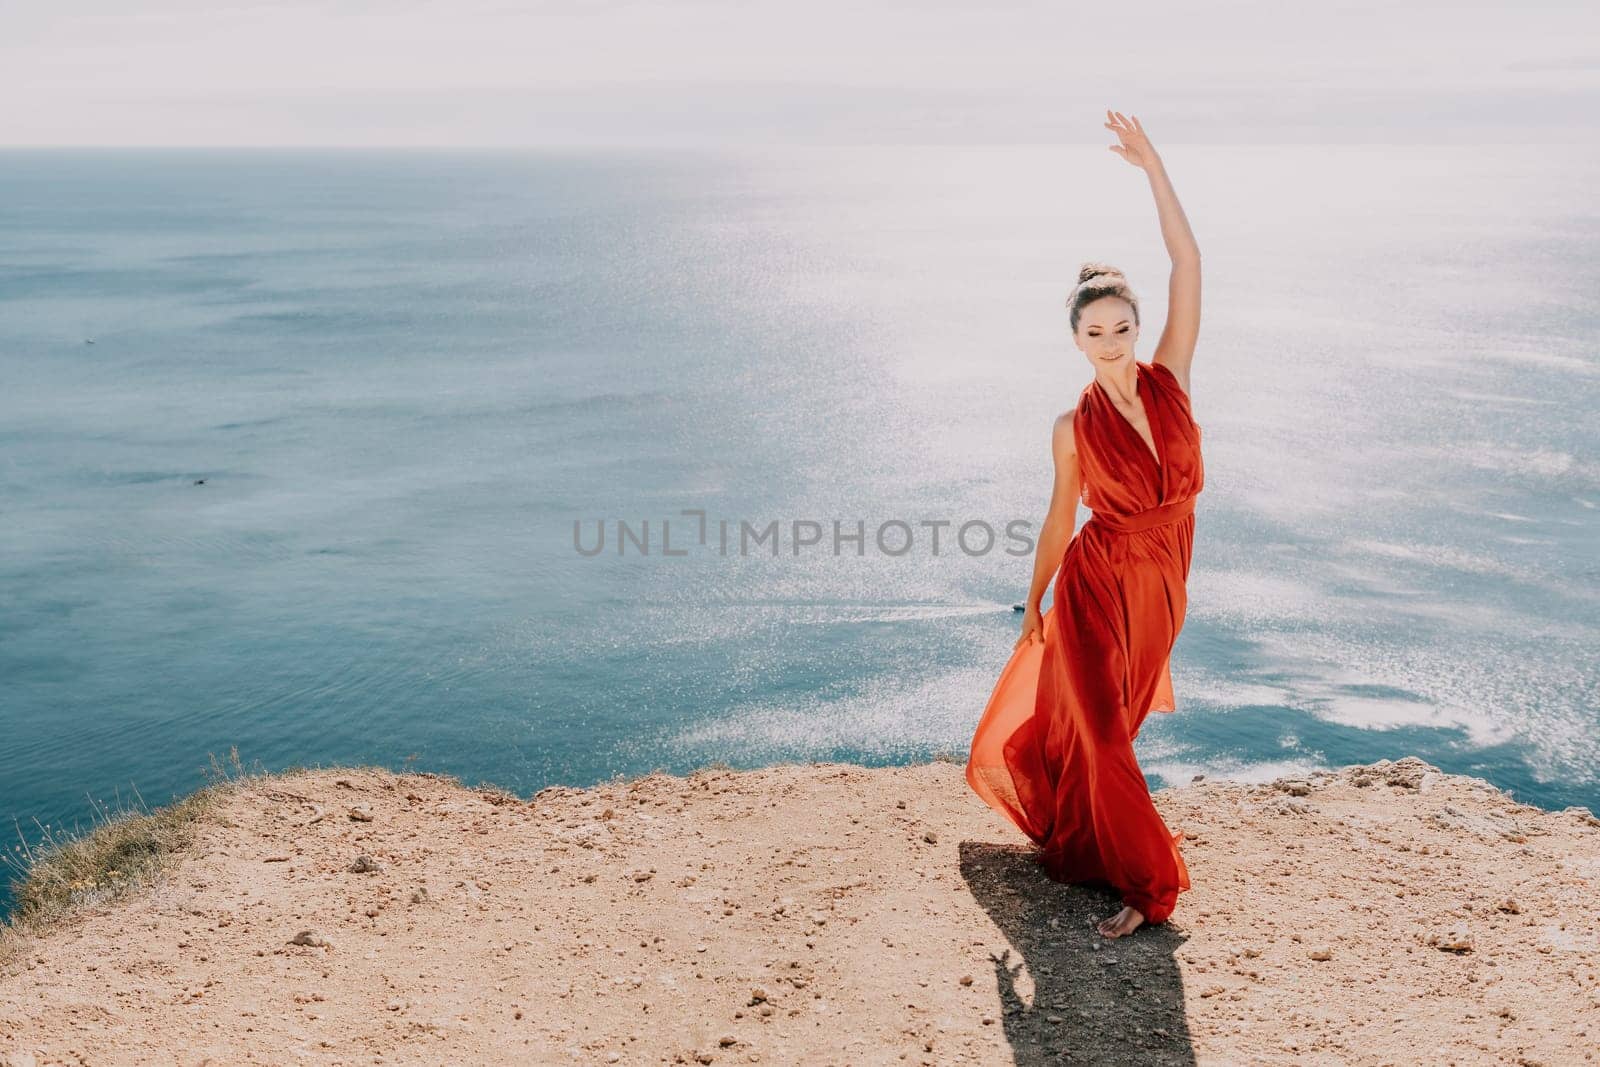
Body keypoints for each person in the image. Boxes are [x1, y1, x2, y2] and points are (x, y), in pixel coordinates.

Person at [966, 111, 1204, 939]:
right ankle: (1148, 884)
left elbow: (1187, 262)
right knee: (1103, 730)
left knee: (1117, 727)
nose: (1110, 343)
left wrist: (1153, 168)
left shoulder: (1171, 380)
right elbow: (1061, 517)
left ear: (1139, 329)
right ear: (1075, 339)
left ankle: (1092, 835)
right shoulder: (1072, 426)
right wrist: (1032, 599)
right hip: (1098, 581)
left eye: (1121, 328)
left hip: (1164, 580)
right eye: (1093, 333)